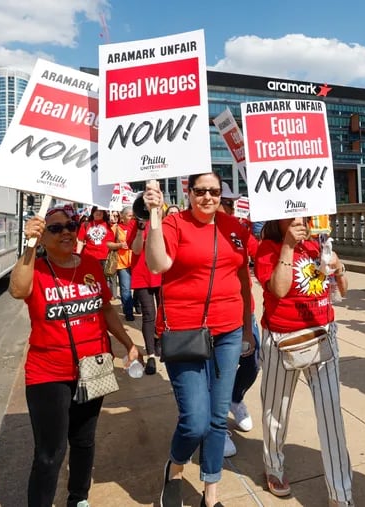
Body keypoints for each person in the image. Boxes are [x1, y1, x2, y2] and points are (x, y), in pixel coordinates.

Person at [9, 205, 140, 507]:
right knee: (49, 453)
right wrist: (29, 246)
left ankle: (78, 497)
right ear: (43, 237)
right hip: (48, 373)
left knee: (84, 440)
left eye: (71, 225)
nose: (66, 231)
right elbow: (18, 290)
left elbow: (106, 309)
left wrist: (127, 343)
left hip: (94, 366)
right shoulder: (36, 267)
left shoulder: (92, 265)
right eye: (55, 228)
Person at [143, 173, 255, 507]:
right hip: (184, 333)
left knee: (218, 419)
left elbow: (247, 277)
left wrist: (247, 328)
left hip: (229, 332)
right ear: (189, 193)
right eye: (201, 191)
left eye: (215, 191)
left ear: (222, 194)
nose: (208, 197)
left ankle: (211, 493)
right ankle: (175, 468)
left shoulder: (235, 227)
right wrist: (154, 217)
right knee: (194, 421)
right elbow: (157, 263)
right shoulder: (175, 223)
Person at [255, 217, 353, 506]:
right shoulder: (267, 249)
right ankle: (273, 466)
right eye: (295, 215)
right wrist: (288, 245)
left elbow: (340, 291)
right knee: (276, 411)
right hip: (281, 340)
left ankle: (341, 495)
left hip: (323, 338)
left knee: (331, 416)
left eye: (306, 215)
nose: (302, 220)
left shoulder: (318, 244)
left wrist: (339, 267)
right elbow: (280, 289)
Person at [219, 181, 261, 456]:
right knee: (218, 373)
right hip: (215, 317)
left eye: (233, 202)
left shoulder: (240, 230)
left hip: (245, 310)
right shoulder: (194, 230)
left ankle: (236, 399)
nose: (232, 206)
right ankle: (217, 426)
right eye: (227, 201)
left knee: (253, 363)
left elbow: (260, 251)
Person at [126, 214, 162, 375]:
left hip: (162, 274)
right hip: (142, 276)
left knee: (163, 313)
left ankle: (159, 340)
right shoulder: (133, 224)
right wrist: (140, 230)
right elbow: (136, 249)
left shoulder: (162, 222)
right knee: (149, 315)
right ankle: (151, 355)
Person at [115, 206, 135, 321]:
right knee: (125, 289)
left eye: (133, 215)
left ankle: (136, 304)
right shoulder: (116, 228)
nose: (132, 217)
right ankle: (128, 312)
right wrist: (119, 245)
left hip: (135, 262)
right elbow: (109, 243)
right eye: (129, 215)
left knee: (138, 288)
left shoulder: (137, 227)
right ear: (122, 216)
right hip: (122, 262)